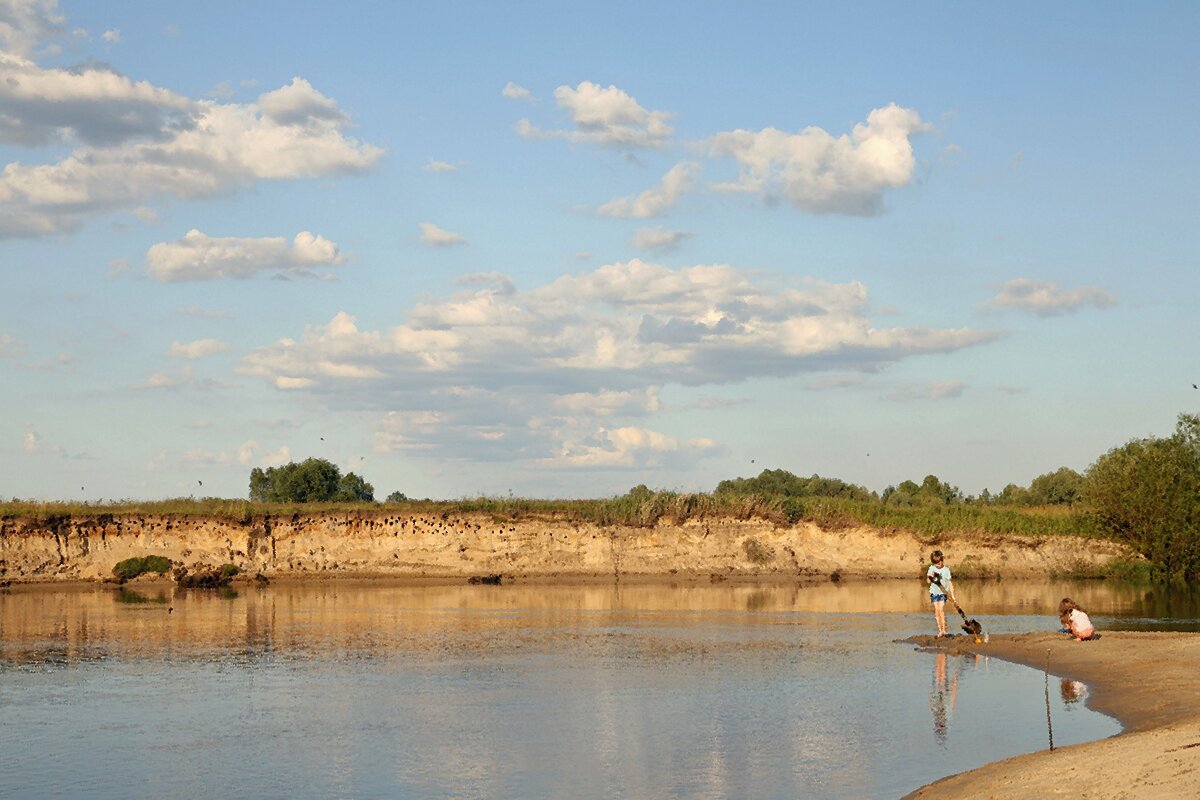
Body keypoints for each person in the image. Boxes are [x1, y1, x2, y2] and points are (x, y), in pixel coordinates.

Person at [926, 550, 956, 638]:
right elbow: (927, 581)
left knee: (941, 610)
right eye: (935, 563)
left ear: (942, 560)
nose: (937, 564)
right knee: (937, 611)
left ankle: (944, 630)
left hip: (943, 593)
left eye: (939, 562)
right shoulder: (931, 568)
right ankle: (940, 631)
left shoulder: (946, 570)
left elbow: (950, 583)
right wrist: (930, 577)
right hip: (934, 592)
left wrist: (953, 596)